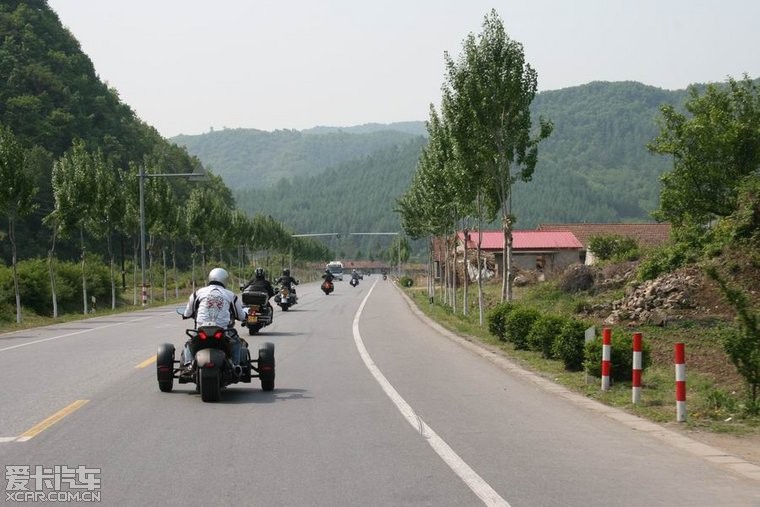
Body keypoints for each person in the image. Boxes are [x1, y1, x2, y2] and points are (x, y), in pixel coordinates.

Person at [181, 267, 246, 371]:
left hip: (201, 330)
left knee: (189, 343)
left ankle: (188, 364)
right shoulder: (231, 295)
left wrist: (185, 315)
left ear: (210, 278)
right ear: (225, 280)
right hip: (222, 331)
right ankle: (236, 365)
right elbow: (241, 316)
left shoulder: (198, 293)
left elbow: (188, 312)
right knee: (237, 343)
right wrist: (245, 316)